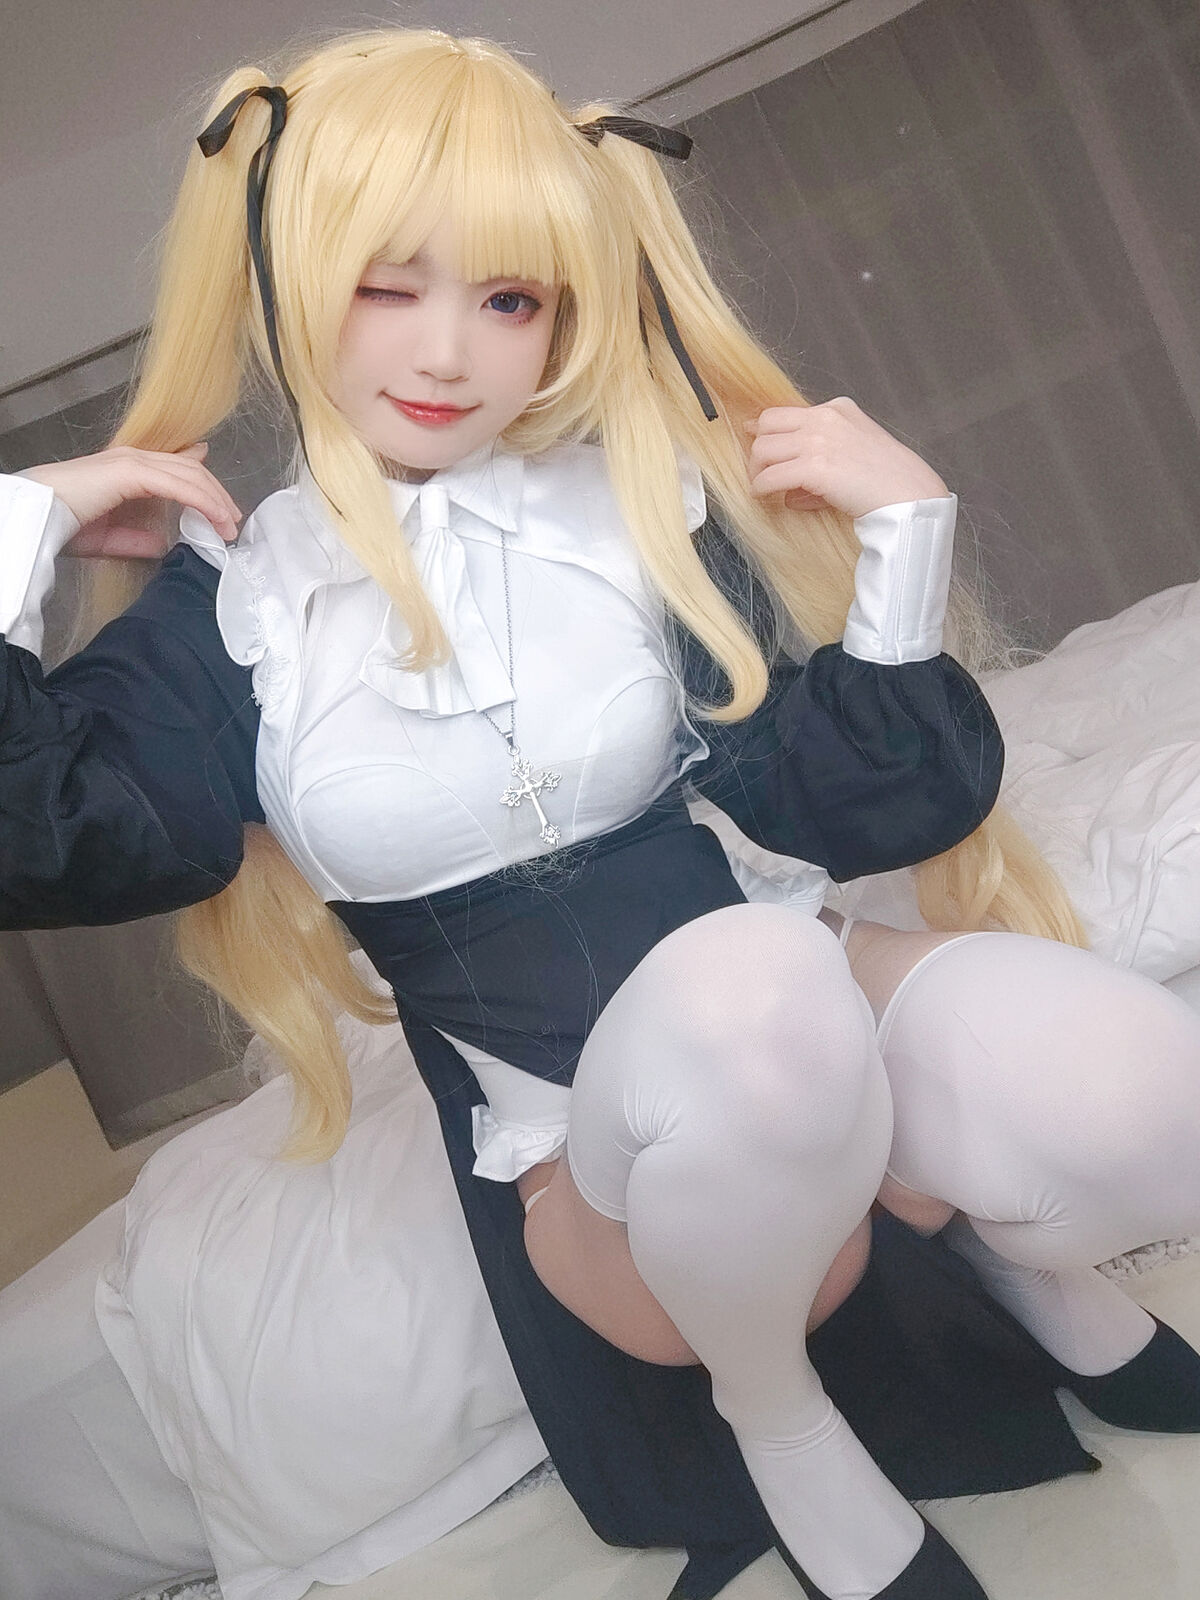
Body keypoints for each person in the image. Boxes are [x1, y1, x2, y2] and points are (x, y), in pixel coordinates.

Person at [4, 25, 1200, 1600]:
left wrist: (905, 540)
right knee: (750, 1004)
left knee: (1143, 1089)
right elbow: (52, 839)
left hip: (785, 991)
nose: (449, 356)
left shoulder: (628, 511)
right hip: (582, 1136)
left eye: (509, 299)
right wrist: (18, 527)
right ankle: (777, 1418)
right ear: (288, 279)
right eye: (387, 286)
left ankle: (1004, 1245)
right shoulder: (232, 609)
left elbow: (856, 803)